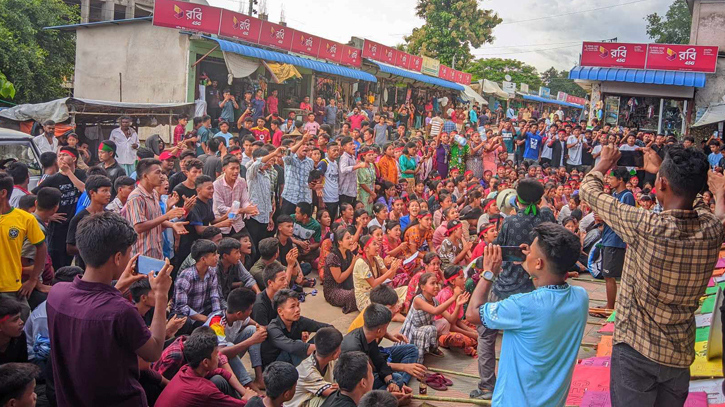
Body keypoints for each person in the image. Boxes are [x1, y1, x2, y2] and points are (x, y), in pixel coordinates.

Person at [582, 144, 724, 406]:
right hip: (679, 355)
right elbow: (703, 207)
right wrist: (717, 192)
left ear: (661, 184)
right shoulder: (712, 231)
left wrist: (603, 164)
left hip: (636, 352)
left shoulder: (646, 226)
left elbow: (589, 191)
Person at [47, 212, 173, 406]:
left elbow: (90, 309)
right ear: (117, 258)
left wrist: (117, 288)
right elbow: (154, 352)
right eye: (129, 252)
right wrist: (162, 295)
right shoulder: (121, 311)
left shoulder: (57, 294)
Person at [467, 224, 588, 406]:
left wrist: (488, 273)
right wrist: (531, 263)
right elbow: (549, 288)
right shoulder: (581, 297)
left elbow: (472, 314)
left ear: (539, 263)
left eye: (530, 251)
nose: (526, 253)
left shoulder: (521, 306)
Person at [471, 178, 555, 400]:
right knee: (531, 338)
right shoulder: (546, 218)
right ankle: (529, 384)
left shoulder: (511, 223)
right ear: (539, 199)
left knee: (486, 335)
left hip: (505, 288)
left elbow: (497, 249)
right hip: (535, 287)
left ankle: (487, 386)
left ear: (516, 199)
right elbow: (544, 209)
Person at [154, 326, 249, 406]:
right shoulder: (205, 391)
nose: (219, 357)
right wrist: (250, 398)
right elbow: (240, 404)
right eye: (216, 354)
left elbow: (221, 371)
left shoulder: (185, 369)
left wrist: (245, 392)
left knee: (218, 380)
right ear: (205, 362)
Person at [30, 146, 86, 270]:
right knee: (57, 262)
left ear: (74, 158)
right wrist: (48, 215)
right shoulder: (53, 179)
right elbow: (32, 195)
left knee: (78, 262)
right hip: (58, 227)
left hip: (77, 225)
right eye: (59, 156)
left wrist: (69, 173)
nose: (61, 158)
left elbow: (85, 190)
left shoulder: (81, 174)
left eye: (64, 155)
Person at [1, 174, 47, 321]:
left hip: (11, 288)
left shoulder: (25, 218)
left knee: (17, 331)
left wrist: (33, 279)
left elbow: (41, 247)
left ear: (3, 193)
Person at [341, 305, 416, 392]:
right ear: (379, 331)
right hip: (357, 384)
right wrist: (402, 368)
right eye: (386, 328)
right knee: (398, 379)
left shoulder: (368, 336)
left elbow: (379, 362)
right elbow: (361, 381)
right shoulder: (353, 348)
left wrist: (390, 382)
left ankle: (396, 388)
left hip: (368, 374)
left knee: (394, 380)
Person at [205, 287, 267, 392]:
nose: (251, 312)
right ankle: (248, 384)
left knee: (252, 330)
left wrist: (259, 326)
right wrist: (252, 340)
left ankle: (259, 378)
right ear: (239, 313)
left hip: (229, 353)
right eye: (250, 310)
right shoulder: (217, 323)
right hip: (213, 361)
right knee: (229, 346)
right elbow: (220, 353)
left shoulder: (237, 316)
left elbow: (250, 322)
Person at [122, 159, 186, 259]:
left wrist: (172, 225)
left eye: (161, 172)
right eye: (157, 172)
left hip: (156, 252)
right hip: (142, 254)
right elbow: (139, 227)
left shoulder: (154, 194)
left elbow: (156, 220)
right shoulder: (137, 197)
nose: (161, 176)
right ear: (145, 176)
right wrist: (167, 216)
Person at [400, 271, 469, 363]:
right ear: (422, 287)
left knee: (444, 322)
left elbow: (451, 319)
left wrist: (457, 304)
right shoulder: (418, 300)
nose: (436, 286)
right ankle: (417, 360)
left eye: (437, 283)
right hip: (412, 333)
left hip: (425, 330)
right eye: (432, 283)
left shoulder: (434, 301)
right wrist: (453, 297)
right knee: (430, 329)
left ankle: (432, 348)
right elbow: (435, 311)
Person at [262, 289, 332, 368]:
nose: (297, 310)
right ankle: (310, 374)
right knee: (297, 347)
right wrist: (323, 349)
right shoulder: (273, 328)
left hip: (293, 361)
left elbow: (328, 328)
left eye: (298, 305)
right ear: (280, 311)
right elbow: (292, 347)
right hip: (274, 369)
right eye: (292, 307)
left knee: (324, 334)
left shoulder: (298, 320)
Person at [600, 167, 635, 310]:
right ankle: (609, 304)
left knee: (610, 275)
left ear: (620, 179)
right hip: (608, 237)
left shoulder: (627, 196)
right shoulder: (614, 195)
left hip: (616, 240)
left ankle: (610, 306)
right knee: (607, 275)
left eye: (612, 178)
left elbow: (626, 219)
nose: (609, 180)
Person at [287, 327, 342, 407]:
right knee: (340, 398)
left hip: (312, 397)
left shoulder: (329, 359)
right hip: (300, 404)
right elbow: (332, 392)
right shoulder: (308, 371)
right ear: (335, 354)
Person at [65, 175, 112, 269]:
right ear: (92, 193)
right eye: (104, 191)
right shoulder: (79, 218)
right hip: (85, 268)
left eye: (109, 191)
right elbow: (70, 248)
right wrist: (93, 251)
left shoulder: (110, 216)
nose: (109, 194)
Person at [174, 239, 223, 323]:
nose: (217, 256)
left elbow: (214, 296)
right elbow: (181, 306)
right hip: (187, 314)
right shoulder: (186, 276)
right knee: (184, 320)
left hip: (202, 311)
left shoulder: (212, 272)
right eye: (214, 254)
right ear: (203, 259)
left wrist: (217, 315)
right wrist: (205, 319)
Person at [323, 227, 359, 314]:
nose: (351, 240)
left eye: (351, 237)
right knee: (354, 295)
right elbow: (339, 279)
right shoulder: (332, 257)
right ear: (340, 242)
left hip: (346, 285)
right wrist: (352, 264)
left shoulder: (348, 253)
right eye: (348, 238)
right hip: (333, 290)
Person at [0, 297, 27, 365]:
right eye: (15, 320)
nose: (21, 322)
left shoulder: (20, 337)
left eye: (20, 318)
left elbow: (22, 366)